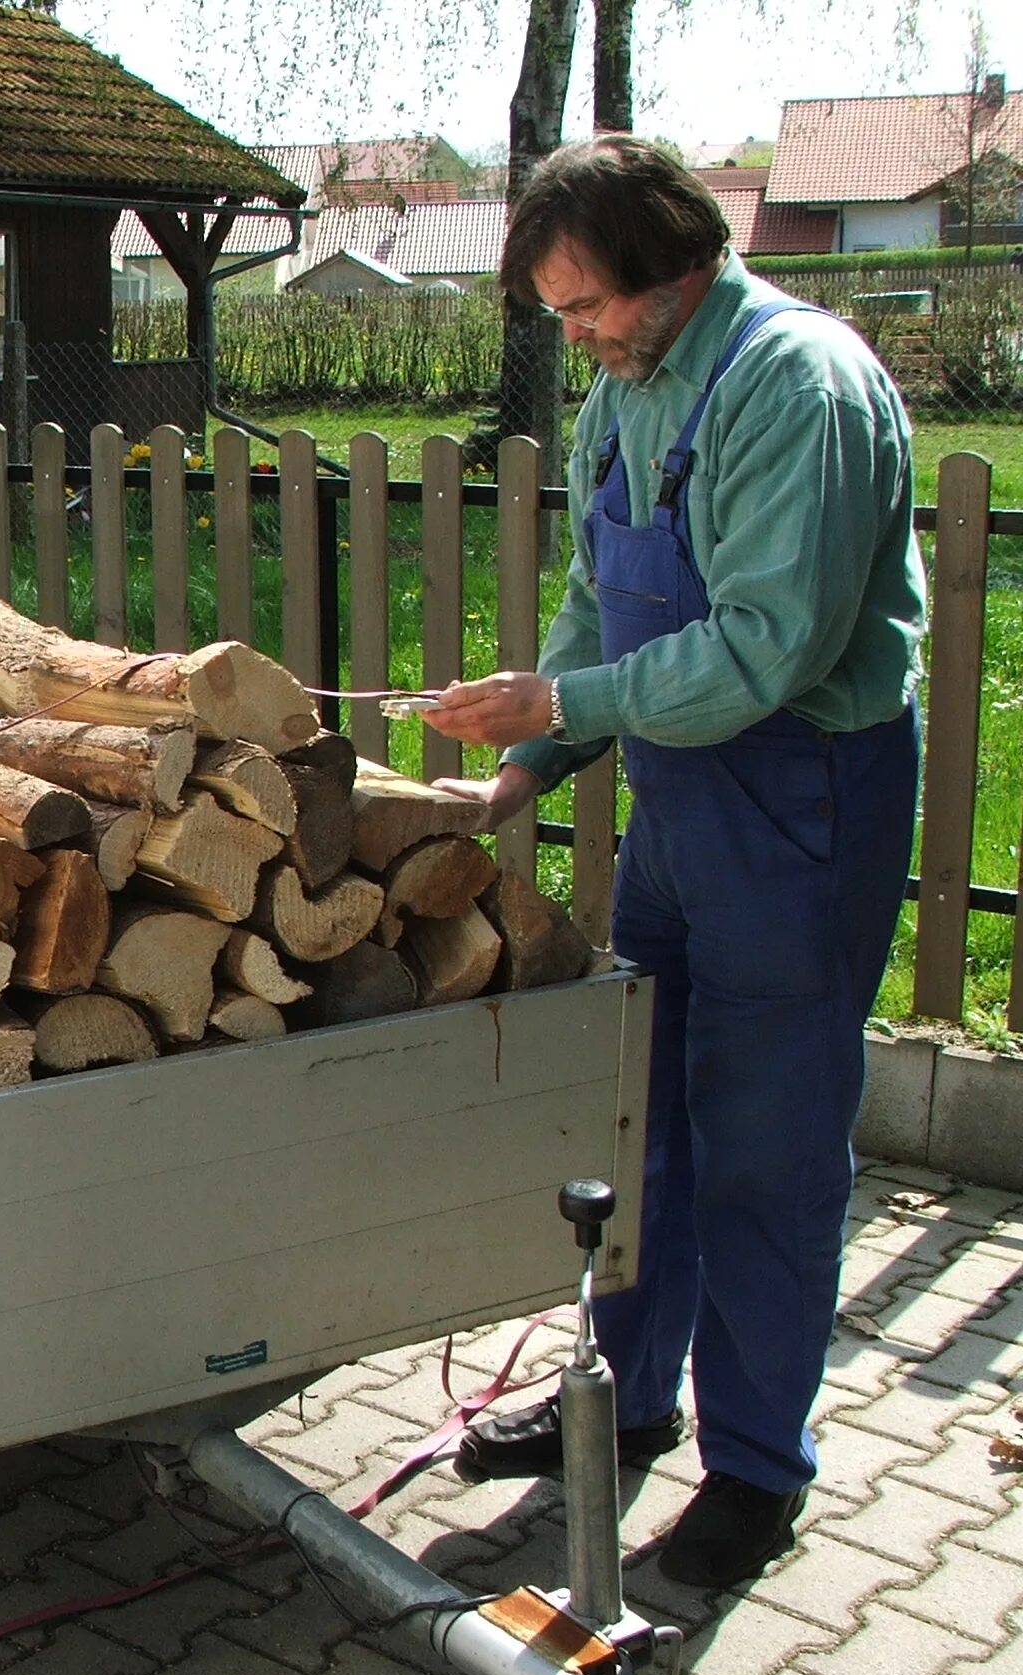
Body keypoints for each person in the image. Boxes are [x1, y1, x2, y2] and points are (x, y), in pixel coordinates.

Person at [419, 136, 925, 1591]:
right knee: (641, 1127)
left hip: (799, 799)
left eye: (585, 308)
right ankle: (625, 1410)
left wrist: (571, 707)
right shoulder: (628, 389)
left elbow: (770, 647)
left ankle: (758, 1471)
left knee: (767, 1150)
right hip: (676, 802)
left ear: (679, 266)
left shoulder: (795, 387)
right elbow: (599, 604)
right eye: (559, 316)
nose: (573, 338)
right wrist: (525, 771)